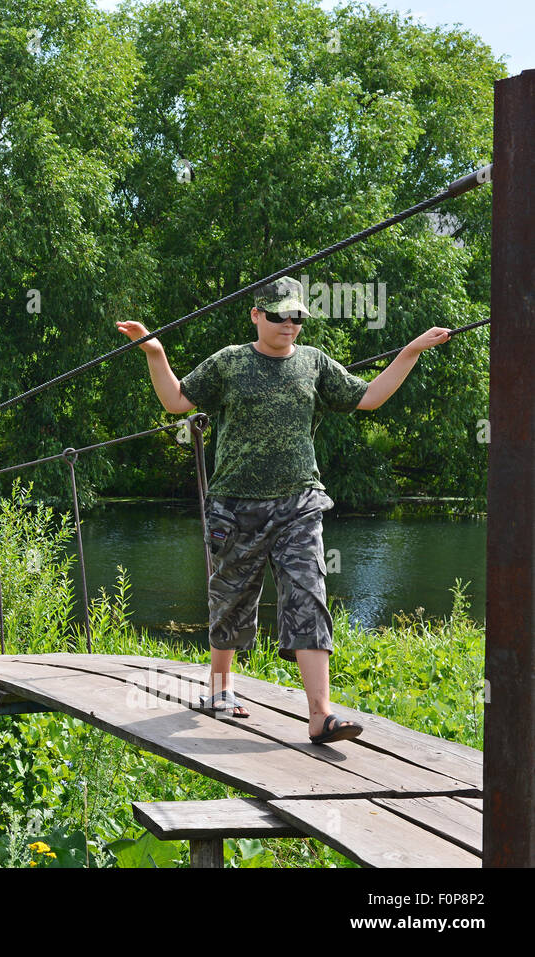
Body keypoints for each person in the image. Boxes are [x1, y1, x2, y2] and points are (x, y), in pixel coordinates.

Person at [117, 276, 451, 745]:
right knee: (231, 598)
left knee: (308, 594)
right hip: (235, 506)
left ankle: (321, 715)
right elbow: (176, 401)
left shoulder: (315, 364)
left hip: (300, 503)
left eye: (297, 317)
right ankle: (220, 686)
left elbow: (369, 397)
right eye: (278, 316)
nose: (289, 325)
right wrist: (155, 352)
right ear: (256, 315)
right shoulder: (229, 362)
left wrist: (412, 350)